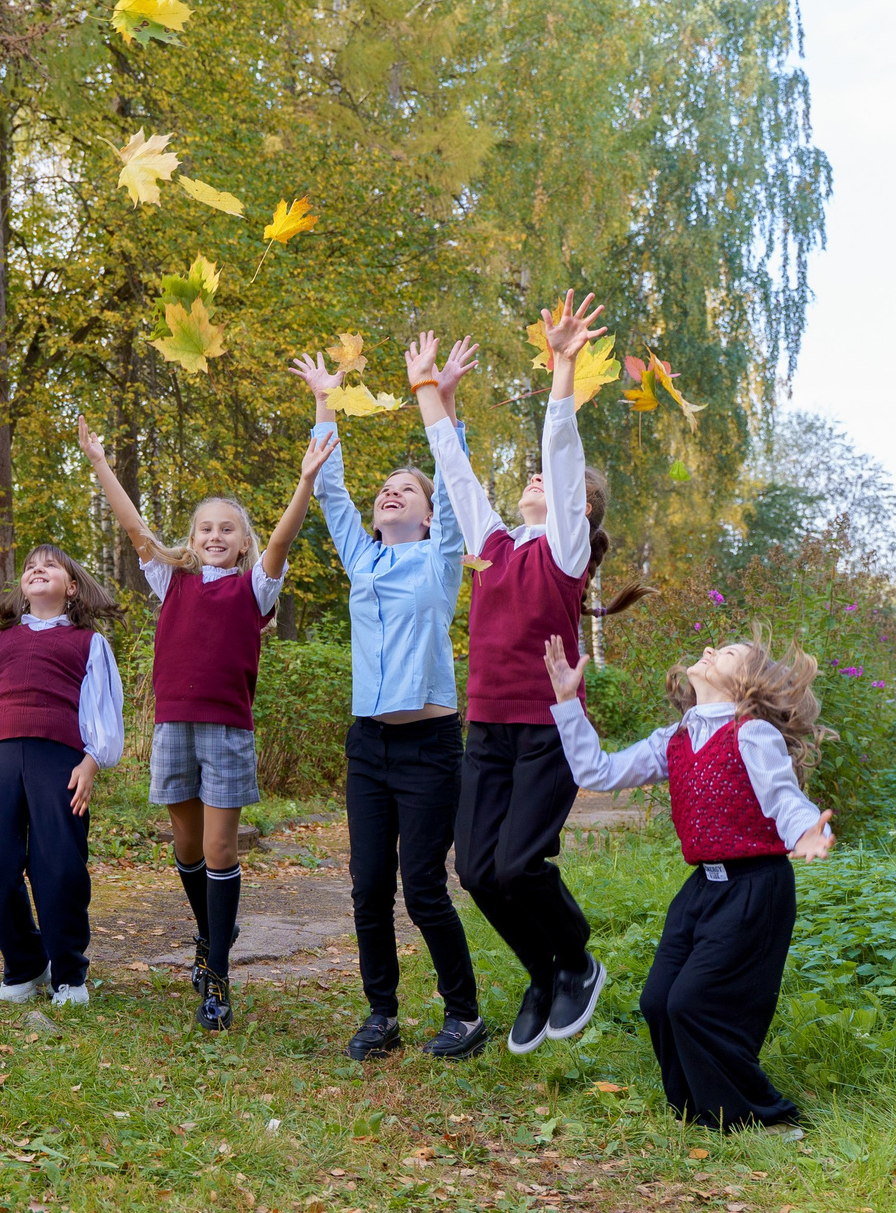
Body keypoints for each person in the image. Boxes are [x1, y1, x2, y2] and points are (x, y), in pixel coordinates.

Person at [416, 292, 646, 1056]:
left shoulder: (564, 555)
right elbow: (456, 479)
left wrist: (564, 367)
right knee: (477, 869)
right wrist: (432, 400)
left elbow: (562, 451)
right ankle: (542, 973)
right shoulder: (492, 544)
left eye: (557, 485)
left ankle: (576, 957)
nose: (539, 481)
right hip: (487, 729)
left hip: (546, 730)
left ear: (580, 510)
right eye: (538, 480)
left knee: (520, 861)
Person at [77, 415, 332, 1033]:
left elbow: (282, 543)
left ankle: (217, 975)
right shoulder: (173, 580)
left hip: (228, 732)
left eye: (228, 530)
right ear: (191, 538)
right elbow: (135, 527)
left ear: (243, 542)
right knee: (186, 847)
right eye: (205, 528)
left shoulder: (256, 587)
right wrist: (99, 462)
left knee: (220, 848)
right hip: (174, 728)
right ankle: (211, 930)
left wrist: (304, 483)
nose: (216, 536)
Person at [544, 634, 835, 1128]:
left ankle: (761, 1117)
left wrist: (808, 830)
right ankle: (699, 1110)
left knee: (694, 1003)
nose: (709, 652)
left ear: (746, 683)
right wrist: (568, 703)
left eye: (727, 655)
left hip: (754, 887)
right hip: (702, 887)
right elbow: (598, 771)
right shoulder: (675, 737)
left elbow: (783, 796)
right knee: (658, 1001)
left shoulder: (751, 733)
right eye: (714, 648)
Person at [294, 333, 482, 1062]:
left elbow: (454, 476)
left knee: (422, 886)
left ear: (431, 517)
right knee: (368, 885)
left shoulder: (439, 562)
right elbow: (332, 486)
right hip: (369, 744)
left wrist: (444, 397)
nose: (392, 490)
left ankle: (462, 1014)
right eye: (387, 488)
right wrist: (324, 398)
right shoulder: (364, 559)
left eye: (410, 487)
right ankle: (382, 1013)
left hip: (431, 747)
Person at [0, 545, 125, 1007]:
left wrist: (92, 760)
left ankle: (68, 974)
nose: (37, 570)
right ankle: (26, 961)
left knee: (59, 867)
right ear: (22, 589)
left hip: (60, 760)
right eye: (29, 567)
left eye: (50, 565)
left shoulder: (88, 643)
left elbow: (102, 708)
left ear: (73, 587)